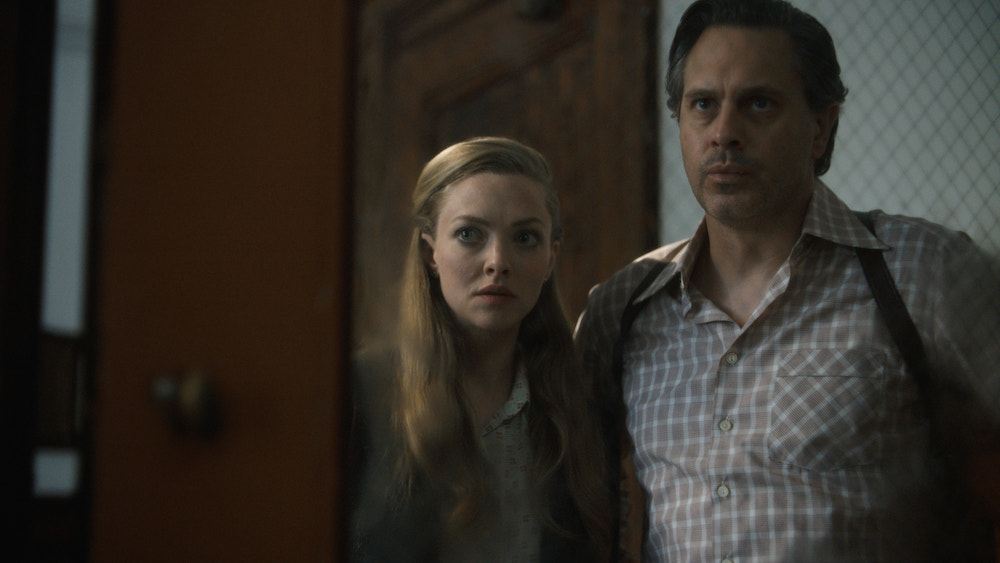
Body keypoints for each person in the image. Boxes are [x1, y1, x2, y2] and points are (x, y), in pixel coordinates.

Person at [574, 0, 1000, 561]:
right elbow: (571, 496)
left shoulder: (925, 271)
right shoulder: (622, 308)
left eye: (758, 103)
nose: (724, 133)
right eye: (703, 104)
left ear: (821, 127)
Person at [350, 137, 615, 562]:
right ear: (430, 253)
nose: (497, 261)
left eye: (525, 237)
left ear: (550, 258)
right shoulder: (362, 393)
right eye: (469, 234)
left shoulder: (575, 404)